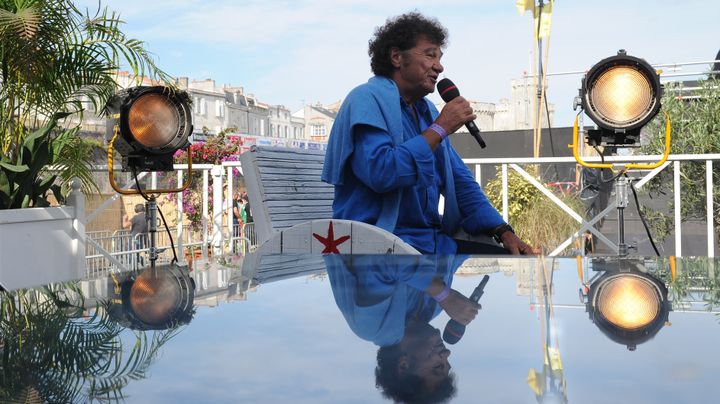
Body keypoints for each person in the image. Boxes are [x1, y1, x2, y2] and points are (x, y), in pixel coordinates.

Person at [321, 12, 537, 255]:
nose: (439, 66)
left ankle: (443, 293)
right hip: (381, 246)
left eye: (440, 57)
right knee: (447, 292)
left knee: (516, 257)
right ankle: (441, 294)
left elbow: (459, 180)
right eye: (430, 54)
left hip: (429, 243)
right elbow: (381, 172)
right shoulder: (365, 99)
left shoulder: (425, 111)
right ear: (396, 57)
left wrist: (503, 231)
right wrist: (441, 128)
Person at [325, 254, 480, 403]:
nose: (447, 353)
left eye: (438, 366)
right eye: (448, 362)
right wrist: (499, 232)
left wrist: (443, 294)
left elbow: (382, 258)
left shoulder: (373, 326)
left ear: (403, 365)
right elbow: (452, 248)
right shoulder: (434, 309)